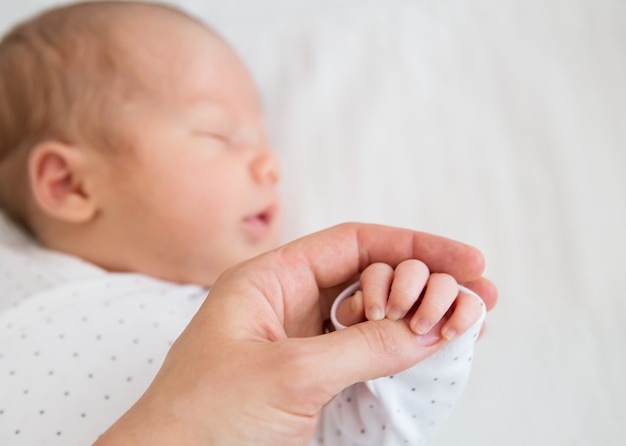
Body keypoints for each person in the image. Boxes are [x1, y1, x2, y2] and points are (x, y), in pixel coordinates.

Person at [0, 1, 497, 445]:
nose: (270, 165)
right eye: (219, 136)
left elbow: (359, 434)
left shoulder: (271, 338)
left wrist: (405, 338)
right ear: (71, 185)